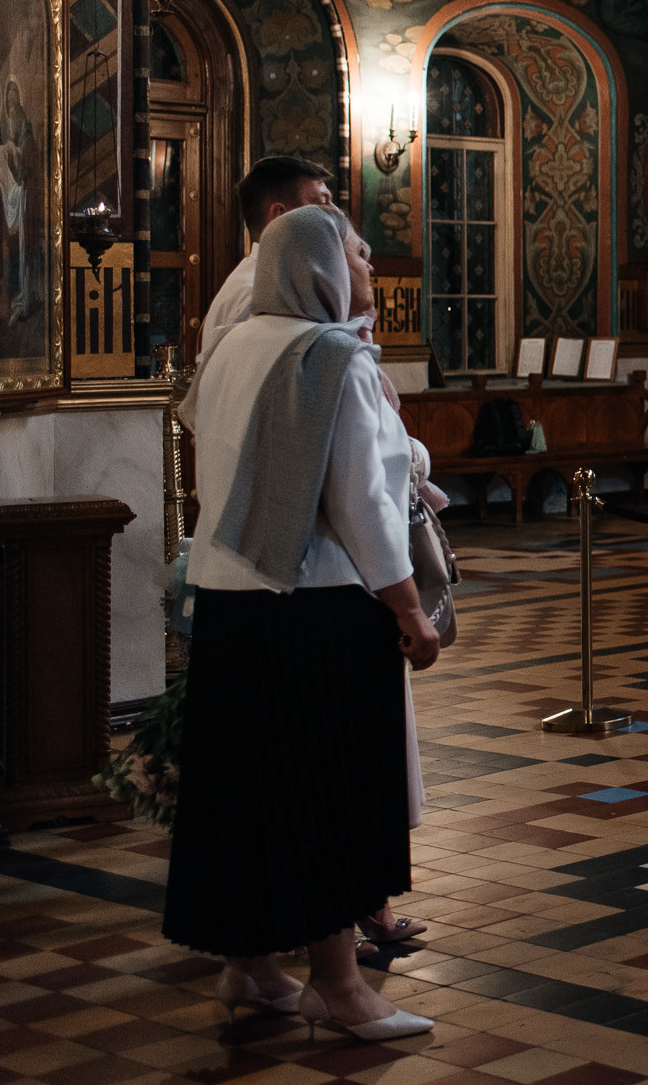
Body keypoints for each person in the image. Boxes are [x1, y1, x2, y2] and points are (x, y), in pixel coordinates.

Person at [165, 205, 438, 1042]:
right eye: (359, 254)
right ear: (320, 265)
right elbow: (360, 503)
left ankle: (249, 964)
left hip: (230, 605)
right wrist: (409, 607)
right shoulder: (333, 360)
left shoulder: (233, 349)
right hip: (318, 605)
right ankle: (339, 987)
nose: (370, 270)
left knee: (248, 791)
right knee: (328, 792)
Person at [196, 157, 337, 368]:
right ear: (280, 215)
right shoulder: (258, 294)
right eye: (323, 202)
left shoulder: (271, 281)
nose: (336, 212)